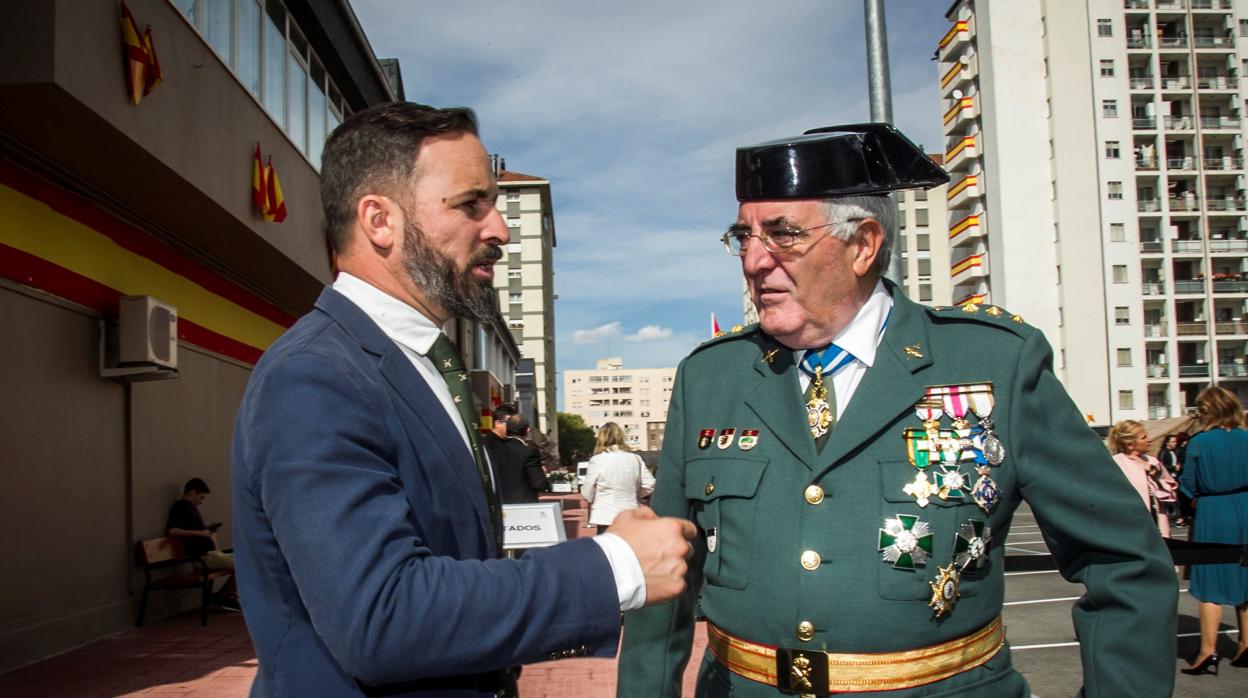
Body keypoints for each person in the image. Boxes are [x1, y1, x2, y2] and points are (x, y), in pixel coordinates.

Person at [617, 124, 1178, 697]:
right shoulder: (711, 376)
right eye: (744, 237)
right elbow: (664, 581)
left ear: (863, 245)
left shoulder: (993, 362)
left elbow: (1124, 564)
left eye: (782, 234)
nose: (755, 261)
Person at [231, 102, 696, 697]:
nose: (499, 228)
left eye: (496, 204)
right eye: (471, 204)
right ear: (379, 220)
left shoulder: (411, 363)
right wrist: (614, 567)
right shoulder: (315, 377)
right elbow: (382, 616)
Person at [1178, 386, 1248, 675]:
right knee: (1246, 577)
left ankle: (1208, 651)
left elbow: (1187, 484)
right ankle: (1246, 643)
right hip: (1246, 506)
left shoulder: (1200, 442)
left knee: (1210, 584)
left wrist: (1188, 509)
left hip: (1213, 511)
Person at [165, 477, 239, 610]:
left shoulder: (190, 508)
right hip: (204, 557)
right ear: (192, 493)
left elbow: (192, 529)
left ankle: (225, 595)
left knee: (246, 562)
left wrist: (206, 529)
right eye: (201, 497)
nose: (201, 502)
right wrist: (200, 533)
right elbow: (172, 530)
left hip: (211, 554)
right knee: (243, 567)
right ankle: (224, 596)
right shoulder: (180, 507)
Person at [581, 422, 657, 534]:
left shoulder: (597, 460)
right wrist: (635, 495)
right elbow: (650, 484)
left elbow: (587, 491)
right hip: (631, 513)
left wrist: (596, 498)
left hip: (606, 515)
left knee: (608, 549)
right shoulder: (635, 458)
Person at [1109, 420, 1178, 537]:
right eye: (1143, 437)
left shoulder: (1153, 461)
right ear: (1130, 444)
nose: (1149, 440)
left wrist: (1154, 472)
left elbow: (1170, 492)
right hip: (1130, 527)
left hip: (1157, 524)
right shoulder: (1116, 463)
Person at [487, 410, 550, 504]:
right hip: (522, 506)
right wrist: (542, 474)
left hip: (498, 505)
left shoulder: (492, 449)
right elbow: (539, 483)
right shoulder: (529, 452)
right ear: (527, 430)